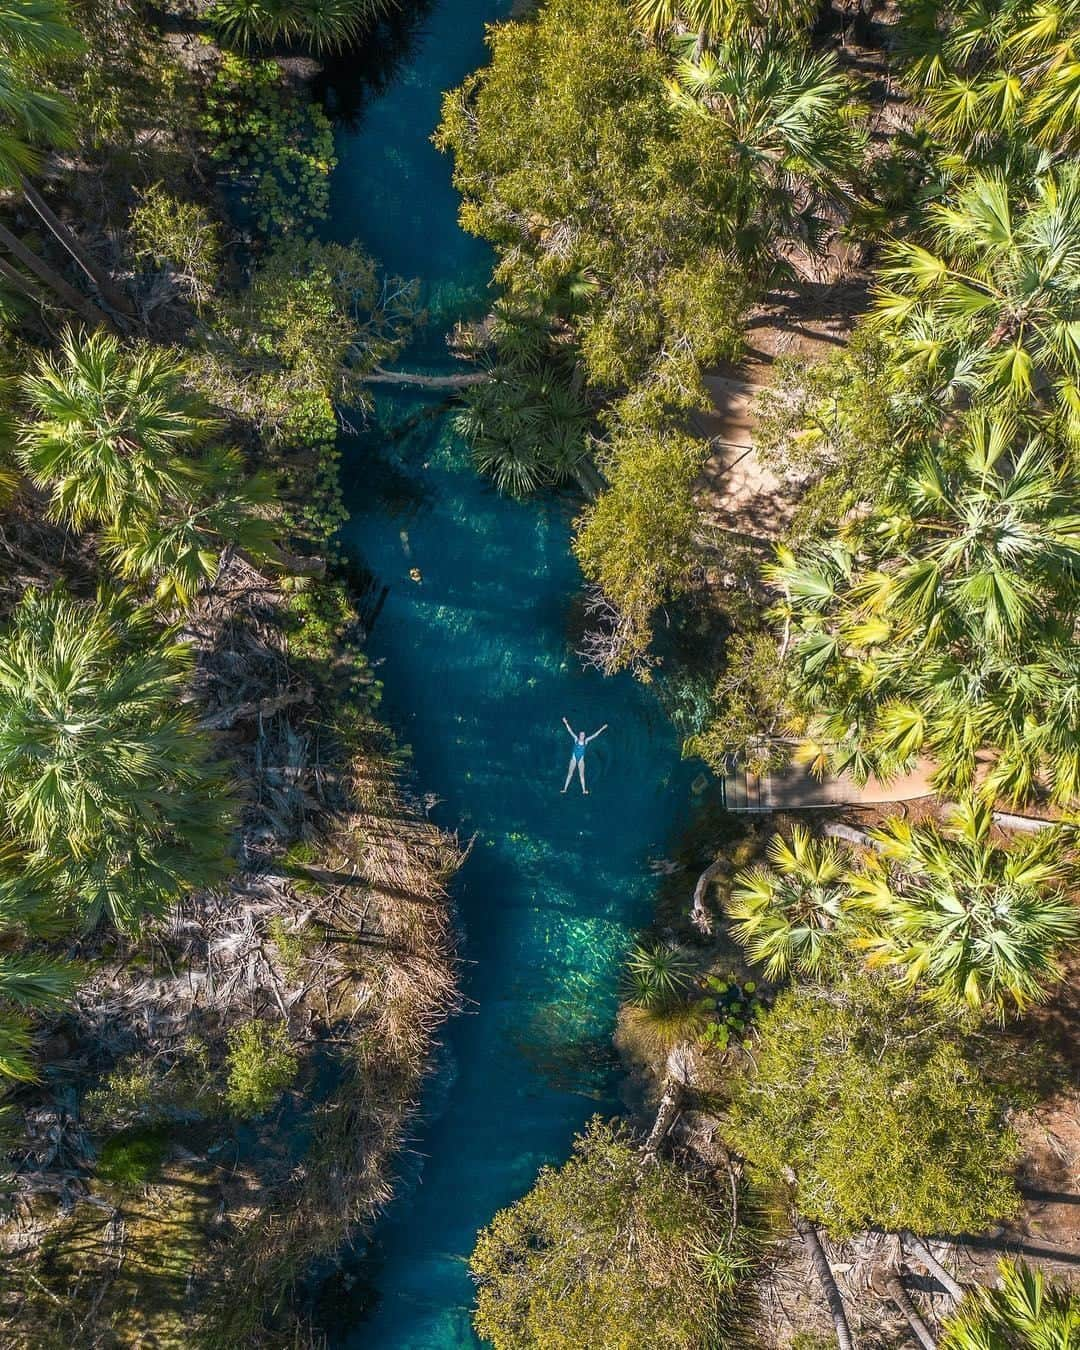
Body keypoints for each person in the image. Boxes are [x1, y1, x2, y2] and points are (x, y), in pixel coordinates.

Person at [561, 717, 608, 794]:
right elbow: (570, 731)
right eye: (581, 735)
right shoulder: (575, 739)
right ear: (579, 735)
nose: (583, 736)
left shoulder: (586, 741)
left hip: (581, 760)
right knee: (570, 774)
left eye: (583, 735)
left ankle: (584, 790)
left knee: (581, 775)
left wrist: (602, 728)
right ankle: (565, 789)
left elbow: (595, 735)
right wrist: (565, 722)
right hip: (574, 759)